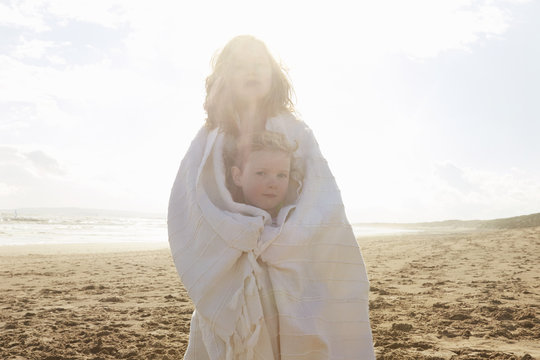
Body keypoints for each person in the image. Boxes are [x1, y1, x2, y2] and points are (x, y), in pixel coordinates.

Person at [168, 35, 375, 359]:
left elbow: (321, 197)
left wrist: (280, 237)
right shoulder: (210, 136)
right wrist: (240, 233)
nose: (251, 71)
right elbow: (194, 201)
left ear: (273, 73)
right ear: (225, 76)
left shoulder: (296, 132)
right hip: (232, 263)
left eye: (258, 65)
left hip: (290, 257)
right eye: (239, 66)